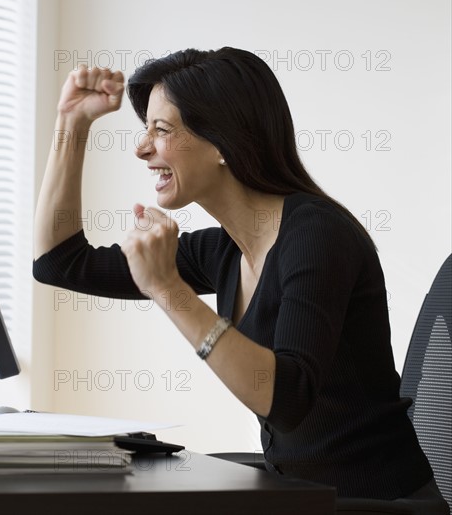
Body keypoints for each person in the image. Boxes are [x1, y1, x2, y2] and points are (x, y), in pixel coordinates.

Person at [33, 47, 449, 508]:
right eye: (144, 128)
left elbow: (288, 399)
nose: (142, 147)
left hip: (380, 506)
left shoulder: (318, 236)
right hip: (309, 497)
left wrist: (168, 289)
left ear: (221, 144)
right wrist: (72, 125)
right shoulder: (226, 250)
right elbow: (59, 263)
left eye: (161, 129)